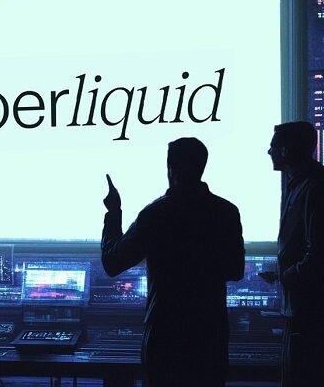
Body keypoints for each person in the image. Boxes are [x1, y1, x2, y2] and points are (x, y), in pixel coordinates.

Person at [101, 137, 245, 386]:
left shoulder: (155, 214)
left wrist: (113, 213)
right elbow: (235, 270)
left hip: (165, 331)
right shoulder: (227, 212)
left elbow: (113, 263)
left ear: (171, 167)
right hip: (210, 332)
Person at [261, 121, 324, 386]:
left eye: (273, 146)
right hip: (308, 308)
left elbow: (320, 255)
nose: (269, 151)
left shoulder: (316, 188)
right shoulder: (308, 184)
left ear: (286, 150)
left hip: (311, 310)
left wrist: (286, 276)